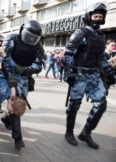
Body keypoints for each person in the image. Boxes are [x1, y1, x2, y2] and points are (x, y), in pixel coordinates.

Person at [62, 2, 116, 149]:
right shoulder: (80, 33)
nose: (98, 19)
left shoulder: (100, 35)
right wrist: (68, 72)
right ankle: (69, 133)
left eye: (100, 16)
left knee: (101, 104)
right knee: (74, 106)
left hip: (94, 75)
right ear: (89, 17)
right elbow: (68, 54)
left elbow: (102, 58)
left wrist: (110, 73)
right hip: (79, 74)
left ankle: (86, 133)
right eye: (95, 16)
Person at [0, 20, 44, 149]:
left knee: (20, 103)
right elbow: (4, 58)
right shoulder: (12, 39)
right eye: (29, 36)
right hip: (9, 74)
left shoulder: (38, 46)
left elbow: (38, 66)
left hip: (24, 77)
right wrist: (10, 74)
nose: (31, 39)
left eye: (34, 38)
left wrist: (25, 70)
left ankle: (7, 118)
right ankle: (17, 138)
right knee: (15, 101)